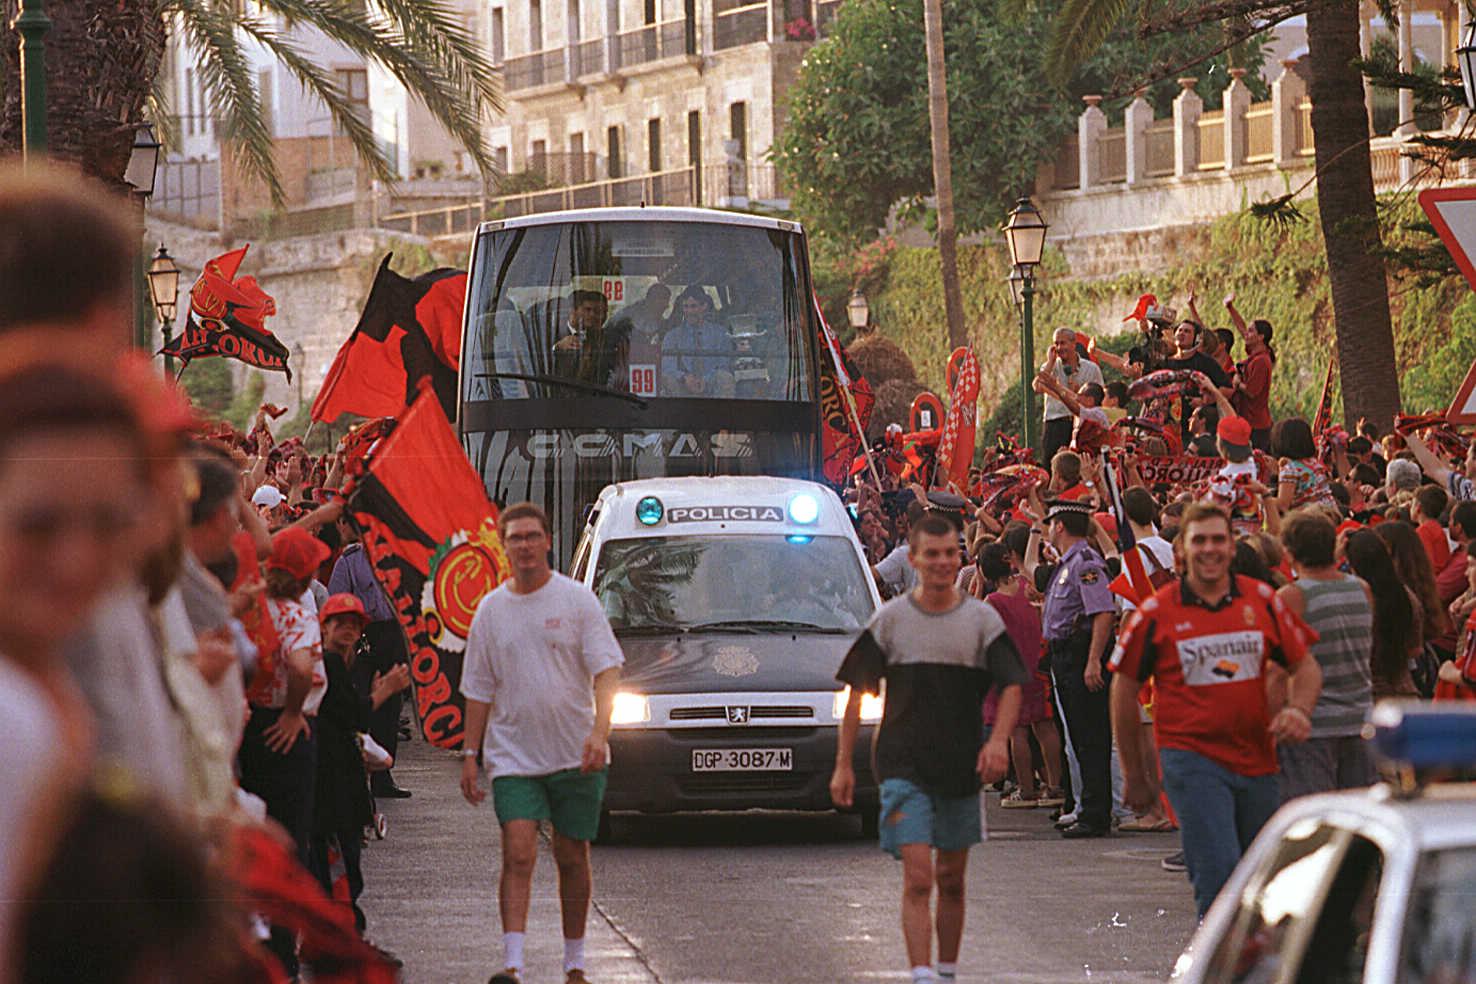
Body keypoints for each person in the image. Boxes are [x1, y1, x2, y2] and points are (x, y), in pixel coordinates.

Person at [831, 513, 1026, 984]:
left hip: (961, 766)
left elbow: (1013, 683)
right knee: (919, 877)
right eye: (931, 554)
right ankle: (921, 975)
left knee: (952, 880)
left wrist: (998, 741)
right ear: (913, 559)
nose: (941, 563)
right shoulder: (891, 620)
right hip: (902, 765)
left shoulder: (980, 620)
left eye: (949, 553)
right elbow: (857, 692)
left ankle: (946, 970)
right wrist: (843, 766)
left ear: (960, 557)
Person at [1109, 502, 1321, 917]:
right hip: (1193, 763)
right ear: (1181, 552)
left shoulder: (1260, 599)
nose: (1209, 549)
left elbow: (1305, 665)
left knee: (1261, 881)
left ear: (1231, 546)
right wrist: (1136, 775)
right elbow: (1124, 688)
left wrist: (1299, 709)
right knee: (1220, 879)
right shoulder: (1156, 612)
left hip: (1258, 761)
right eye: (1199, 540)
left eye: (1218, 539)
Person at [459, 502, 624, 984]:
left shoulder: (576, 602)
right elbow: (478, 689)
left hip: (575, 752)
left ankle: (574, 964)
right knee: (519, 851)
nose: (525, 545)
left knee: (572, 856)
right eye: (516, 538)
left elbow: (607, 671)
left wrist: (600, 733)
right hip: (513, 756)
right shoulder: (491, 610)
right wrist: (471, 756)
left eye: (533, 536)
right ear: (504, 545)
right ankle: (512, 963)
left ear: (548, 541)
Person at [309, 593, 410, 936]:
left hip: (338, 775)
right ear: (325, 627)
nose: (348, 629)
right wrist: (384, 692)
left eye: (354, 624)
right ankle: (339, 932)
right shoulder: (330, 664)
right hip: (332, 777)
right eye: (341, 623)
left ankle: (338, 930)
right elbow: (353, 717)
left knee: (339, 859)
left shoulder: (337, 664)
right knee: (340, 861)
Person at [1275, 510, 1376, 800]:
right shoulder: (1362, 589)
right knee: (1357, 818)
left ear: (1290, 552)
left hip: (1312, 725)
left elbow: (1280, 665)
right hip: (1359, 717)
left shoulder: (1293, 597)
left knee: (1314, 817)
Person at [1035, 499, 1116, 838]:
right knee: (1076, 735)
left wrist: (1094, 659)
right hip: (1063, 655)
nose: (1048, 529)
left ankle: (1096, 812)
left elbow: (1102, 611)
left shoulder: (1085, 563)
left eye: (1050, 522)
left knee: (1090, 736)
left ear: (1060, 526)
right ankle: (1082, 804)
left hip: (1081, 652)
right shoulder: (1067, 563)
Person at [328, 514, 412, 800]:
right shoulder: (350, 561)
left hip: (394, 634)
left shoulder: (400, 556)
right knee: (365, 702)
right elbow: (337, 601)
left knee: (391, 708)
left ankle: (383, 774)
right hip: (364, 636)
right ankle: (358, 769)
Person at [975, 542, 1064, 809]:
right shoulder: (1028, 587)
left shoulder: (992, 602)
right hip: (1038, 665)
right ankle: (1056, 786)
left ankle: (1026, 789)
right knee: (1045, 726)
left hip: (1010, 671)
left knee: (1018, 732)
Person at [1033, 329, 1105, 465]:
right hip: (1055, 424)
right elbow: (1036, 386)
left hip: (1082, 425)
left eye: (1063, 343)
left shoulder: (1091, 369)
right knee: (1052, 467)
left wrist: (1080, 394)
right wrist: (1050, 362)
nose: (1059, 348)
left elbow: (1099, 397)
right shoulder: (1051, 366)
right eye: (1056, 344)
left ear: (1073, 344)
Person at [1222, 294, 1275, 452]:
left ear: (1260, 337)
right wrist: (1230, 308)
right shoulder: (1256, 355)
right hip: (1250, 421)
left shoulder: (1261, 361)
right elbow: (1242, 329)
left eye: (1251, 332)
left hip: (1256, 425)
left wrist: (1237, 383)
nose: (1246, 334)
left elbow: (1252, 391)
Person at [660, 285, 734, 397]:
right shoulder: (672, 336)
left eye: (693, 306)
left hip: (711, 386)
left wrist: (706, 379)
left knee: (725, 378)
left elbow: (724, 365)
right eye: (686, 307)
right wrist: (685, 378)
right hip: (683, 388)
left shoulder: (720, 334)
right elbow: (668, 367)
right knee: (668, 379)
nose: (689, 311)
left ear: (704, 306)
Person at [1273, 417, 1337, 513]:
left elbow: (1283, 505)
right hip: (1331, 512)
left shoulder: (1290, 468)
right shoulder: (1315, 463)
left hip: (1310, 518)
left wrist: (1262, 497)